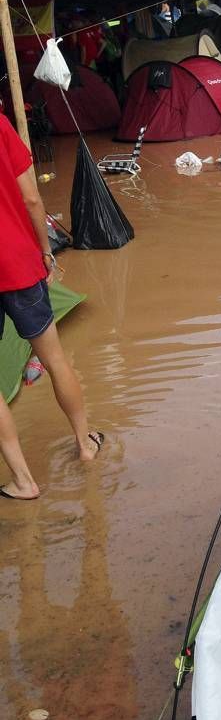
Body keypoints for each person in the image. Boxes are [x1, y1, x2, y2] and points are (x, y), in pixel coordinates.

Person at [0, 112, 103, 499]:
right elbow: (30, 197)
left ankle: (24, 481)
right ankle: (85, 445)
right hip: (19, 262)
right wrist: (46, 252)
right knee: (56, 358)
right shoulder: (0, 126)